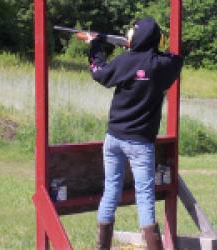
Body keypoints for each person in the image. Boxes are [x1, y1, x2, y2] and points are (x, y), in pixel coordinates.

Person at [77, 17, 183, 250]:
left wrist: (95, 46)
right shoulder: (163, 65)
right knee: (145, 196)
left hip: (114, 138)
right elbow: (176, 58)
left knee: (111, 191)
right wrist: (144, 48)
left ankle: (102, 246)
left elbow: (99, 73)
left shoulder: (125, 61)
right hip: (141, 142)